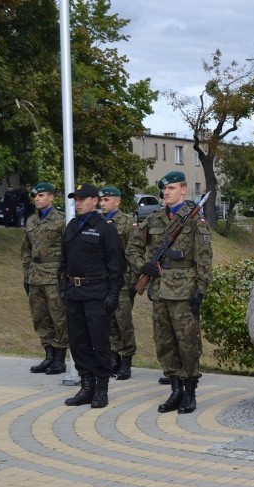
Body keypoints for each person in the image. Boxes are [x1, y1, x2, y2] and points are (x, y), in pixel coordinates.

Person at [127, 171, 212, 414]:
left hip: (184, 292)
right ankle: (175, 389)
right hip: (160, 291)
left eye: (172, 188)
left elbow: (204, 259)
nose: (166, 193)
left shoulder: (195, 220)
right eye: (164, 189)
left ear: (184, 190)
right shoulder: (154, 219)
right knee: (164, 342)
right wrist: (141, 267)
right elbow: (132, 247)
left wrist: (201, 290)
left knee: (187, 342)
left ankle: (190, 392)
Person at [59, 184, 126, 408]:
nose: (78, 202)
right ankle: (86, 386)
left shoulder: (104, 228)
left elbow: (116, 264)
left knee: (99, 343)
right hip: (74, 293)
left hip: (97, 294)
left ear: (95, 201)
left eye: (82, 198)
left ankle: (102, 389)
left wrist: (113, 294)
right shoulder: (71, 226)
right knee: (78, 343)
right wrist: (63, 287)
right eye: (75, 199)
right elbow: (64, 260)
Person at [21, 182, 68, 374]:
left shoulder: (62, 220)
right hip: (35, 276)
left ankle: (60, 359)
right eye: (35, 196)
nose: (37, 199)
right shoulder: (31, 220)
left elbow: (69, 249)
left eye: (41, 196)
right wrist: (26, 272)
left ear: (51, 197)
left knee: (59, 318)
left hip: (54, 276)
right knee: (39, 317)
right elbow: (26, 249)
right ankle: (48, 356)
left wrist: (65, 275)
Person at [99, 186, 138, 380]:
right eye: (101, 200)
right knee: (109, 321)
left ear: (117, 202)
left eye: (106, 200)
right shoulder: (99, 222)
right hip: (103, 280)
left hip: (121, 280)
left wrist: (132, 281)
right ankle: (113, 357)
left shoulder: (126, 223)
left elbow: (133, 253)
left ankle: (126, 361)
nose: (102, 203)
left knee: (123, 322)